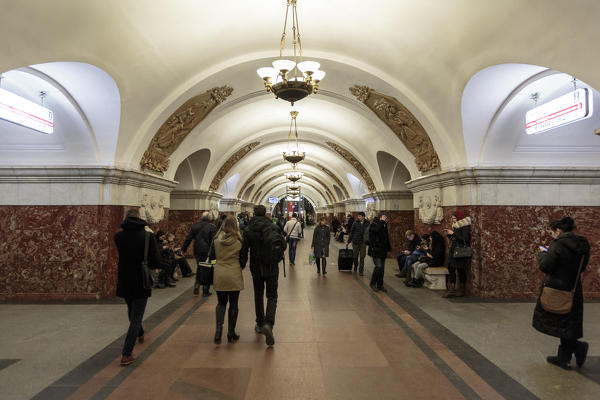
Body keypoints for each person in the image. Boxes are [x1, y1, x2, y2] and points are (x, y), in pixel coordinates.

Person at [532, 217, 590, 370]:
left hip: (557, 287)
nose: (552, 235)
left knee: (561, 321)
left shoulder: (557, 245)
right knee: (568, 323)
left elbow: (546, 266)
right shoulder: (583, 244)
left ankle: (577, 349)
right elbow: (582, 266)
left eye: (552, 232)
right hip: (573, 288)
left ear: (558, 230)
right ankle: (565, 356)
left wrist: (542, 254)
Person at [114, 209, 161, 366]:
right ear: (140, 218)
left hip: (125, 279)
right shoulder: (148, 237)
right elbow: (155, 261)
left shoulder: (118, 236)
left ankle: (139, 331)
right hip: (141, 280)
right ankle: (127, 353)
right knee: (136, 317)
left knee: (131, 309)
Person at [243, 205, 285, 346]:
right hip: (272, 266)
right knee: (272, 296)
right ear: (266, 213)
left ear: (254, 213)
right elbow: (283, 244)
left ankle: (260, 323)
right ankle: (269, 323)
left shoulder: (249, 229)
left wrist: (241, 264)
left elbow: (243, 249)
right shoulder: (273, 226)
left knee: (258, 293)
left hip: (256, 267)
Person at [212, 216, 248, 344]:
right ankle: (231, 332)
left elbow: (211, 257)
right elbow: (243, 260)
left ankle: (218, 329)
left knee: (221, 303)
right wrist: (237, 266)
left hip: (219, 273)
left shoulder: (216, 239)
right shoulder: (239, 241)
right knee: (233, 304)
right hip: (234, 273)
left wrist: (217, 264)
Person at [182, 211, 217, 296]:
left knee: (200, 267)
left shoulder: (195, 226)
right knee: (208, 269)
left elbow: (188, 238)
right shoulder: (212, 227)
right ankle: (205, 291)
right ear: (210, 218)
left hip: (197, 251)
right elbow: (214, 241)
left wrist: (183, 249)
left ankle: (197, 284)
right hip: (208, 252)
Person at [443, 211, 471, 298]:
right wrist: (449, 235)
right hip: (453, 251)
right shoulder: (455, 226)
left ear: (459, 218)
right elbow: (455, 239)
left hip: (460, 252)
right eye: (452, 218)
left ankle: (462, 290)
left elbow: (465, 239)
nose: (453, 220)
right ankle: (452, 289)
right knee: (451, 269)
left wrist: (453, 233)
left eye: (454, 218)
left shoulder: (464, 226)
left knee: (460, 270)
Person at [369, 212, 391, 292]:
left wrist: (388, 248)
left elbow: (385, 238)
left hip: (382, 250)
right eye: (385, 217)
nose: (386, 219)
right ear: (381, 217)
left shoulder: (384, 225)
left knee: (382, 269)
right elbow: (376, 231)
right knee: (378, 266)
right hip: (375, 250)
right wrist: (382, 222)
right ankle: (372, 283)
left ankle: (380, 285)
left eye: (387, 218)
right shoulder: (374, 224)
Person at [347, 211, 369, 276]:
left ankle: (361, 271)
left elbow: (369, 232)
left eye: (359, 216)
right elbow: (352, 232)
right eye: (358, 216)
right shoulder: (355, 223)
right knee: (355, 256)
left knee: (362, 257)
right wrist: (348, 241)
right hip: (355, 242)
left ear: (363, 217)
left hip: (363, 242)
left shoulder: (367, 223)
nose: (358, 217)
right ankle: (355, 266)